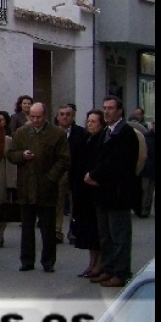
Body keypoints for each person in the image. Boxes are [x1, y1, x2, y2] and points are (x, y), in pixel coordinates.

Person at [7, 103, 70, 272]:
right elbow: (11, 155)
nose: (35, 120)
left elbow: (64, 159)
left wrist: (51, 177)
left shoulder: (57, 134)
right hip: (26, 187)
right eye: (32, 117)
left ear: (46, 116)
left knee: (48, 228)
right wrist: (22, 155)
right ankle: (27, 261)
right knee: (27, 228)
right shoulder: (21, 133)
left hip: (46, 187)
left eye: (38, 117)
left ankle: (48, 261)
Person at [84, 96, 139, 288]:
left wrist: (95, 175)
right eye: (104, 108)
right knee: (105, 235)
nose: (106, 111)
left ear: (120, 111)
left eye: (110, 108)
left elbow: (116, 162)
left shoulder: (125, 133)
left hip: (118, 193)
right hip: (103, 193)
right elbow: (97, 157)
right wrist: (91, 173)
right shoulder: (106, 131)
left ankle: (121, 272)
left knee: (119, 236)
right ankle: (108, 269)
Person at [72, 110, 105, 278]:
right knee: (88, 230)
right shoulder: (85, 139)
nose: (90, 124)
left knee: (97, 230)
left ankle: (99, 264)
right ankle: (92, 262)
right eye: (89, 121)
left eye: (94, 121)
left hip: (95, 189)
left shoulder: (102, 140)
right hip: (83, 190)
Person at [55, 104, 88, 245]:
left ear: (73, 116)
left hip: (76, 172)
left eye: (68, 114)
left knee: (76, 204)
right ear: (57, 117)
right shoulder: (52, 133)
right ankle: (56, 231)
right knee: (57, 203)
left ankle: (74, 231)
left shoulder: (81, 133)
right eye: (62, 114)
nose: (65, 117)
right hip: (58, 172)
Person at [0, 110, 15, 245]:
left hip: (1, 178)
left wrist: (11, 184)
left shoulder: (7, 140)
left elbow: (11, 163)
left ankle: (0, 234)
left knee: (0, 209)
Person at [135, 119, 155, 217]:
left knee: (150, 191)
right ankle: (142, 209)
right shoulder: (146, 137)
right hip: (146, 167)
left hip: (152, 167)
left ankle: (146, 209)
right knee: (144, 189)